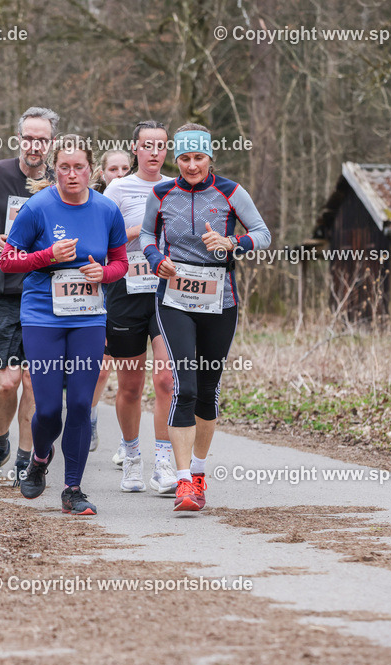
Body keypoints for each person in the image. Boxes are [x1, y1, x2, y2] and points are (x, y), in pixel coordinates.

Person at [139, 123, 271, 512]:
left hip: (221, 301)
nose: (191, 165)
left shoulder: (230, 192)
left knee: (209, 389)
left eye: (198, 158)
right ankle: (182, 483)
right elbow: (146, 235)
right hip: (175, 299)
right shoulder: (161, 193)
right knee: (186, 387)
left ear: (210, 157)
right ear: (175, 159)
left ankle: (198, 474)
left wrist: (233, 242)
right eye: (184, 158)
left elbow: (263, 234)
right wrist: (155, 259)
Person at [0, 135, 128, 515]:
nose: (72, 175)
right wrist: (47, 255)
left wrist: (103, 273)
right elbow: (8, 260)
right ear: (55, 168)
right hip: (43, 316)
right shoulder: (38, 208)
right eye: (65, 168)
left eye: (80, 168)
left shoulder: (107, 210)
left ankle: (73, 488)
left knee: (80, 403)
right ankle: (40, 457)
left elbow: (120, 262)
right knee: (49, 409)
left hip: (88, 316)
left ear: (93, 170)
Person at [0, 106, 58, 485]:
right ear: (19, 138)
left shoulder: (62, 180)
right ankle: (0, 444)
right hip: (4, 290)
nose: (34, 145)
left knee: (35, 382)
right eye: (28, 137)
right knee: (7, 381)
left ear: (51, 143)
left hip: (45, 290)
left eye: (42, 139)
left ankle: (26, 456)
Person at [103, 121, 179, 494]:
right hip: (126, 289)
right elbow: (105, 240)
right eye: (147, 145)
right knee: (130, 386)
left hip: (167, 292)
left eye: (161, 145)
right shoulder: (118, 187)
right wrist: (142, 233)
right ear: (135, 149)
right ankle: (132, 456)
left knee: (166, 380)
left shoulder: (176, 187)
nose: (154, 152)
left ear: (167, 150)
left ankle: (163, 462)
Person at [87, 148, 133, 451]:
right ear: (102, 174)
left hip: (136, 286)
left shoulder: (145, 196)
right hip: (102, 286)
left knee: (127, 373)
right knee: (102, 367)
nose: (119, 175)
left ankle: (128, 440)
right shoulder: (95, 204)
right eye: (113, 169)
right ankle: (88, 416)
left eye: (125, 169)